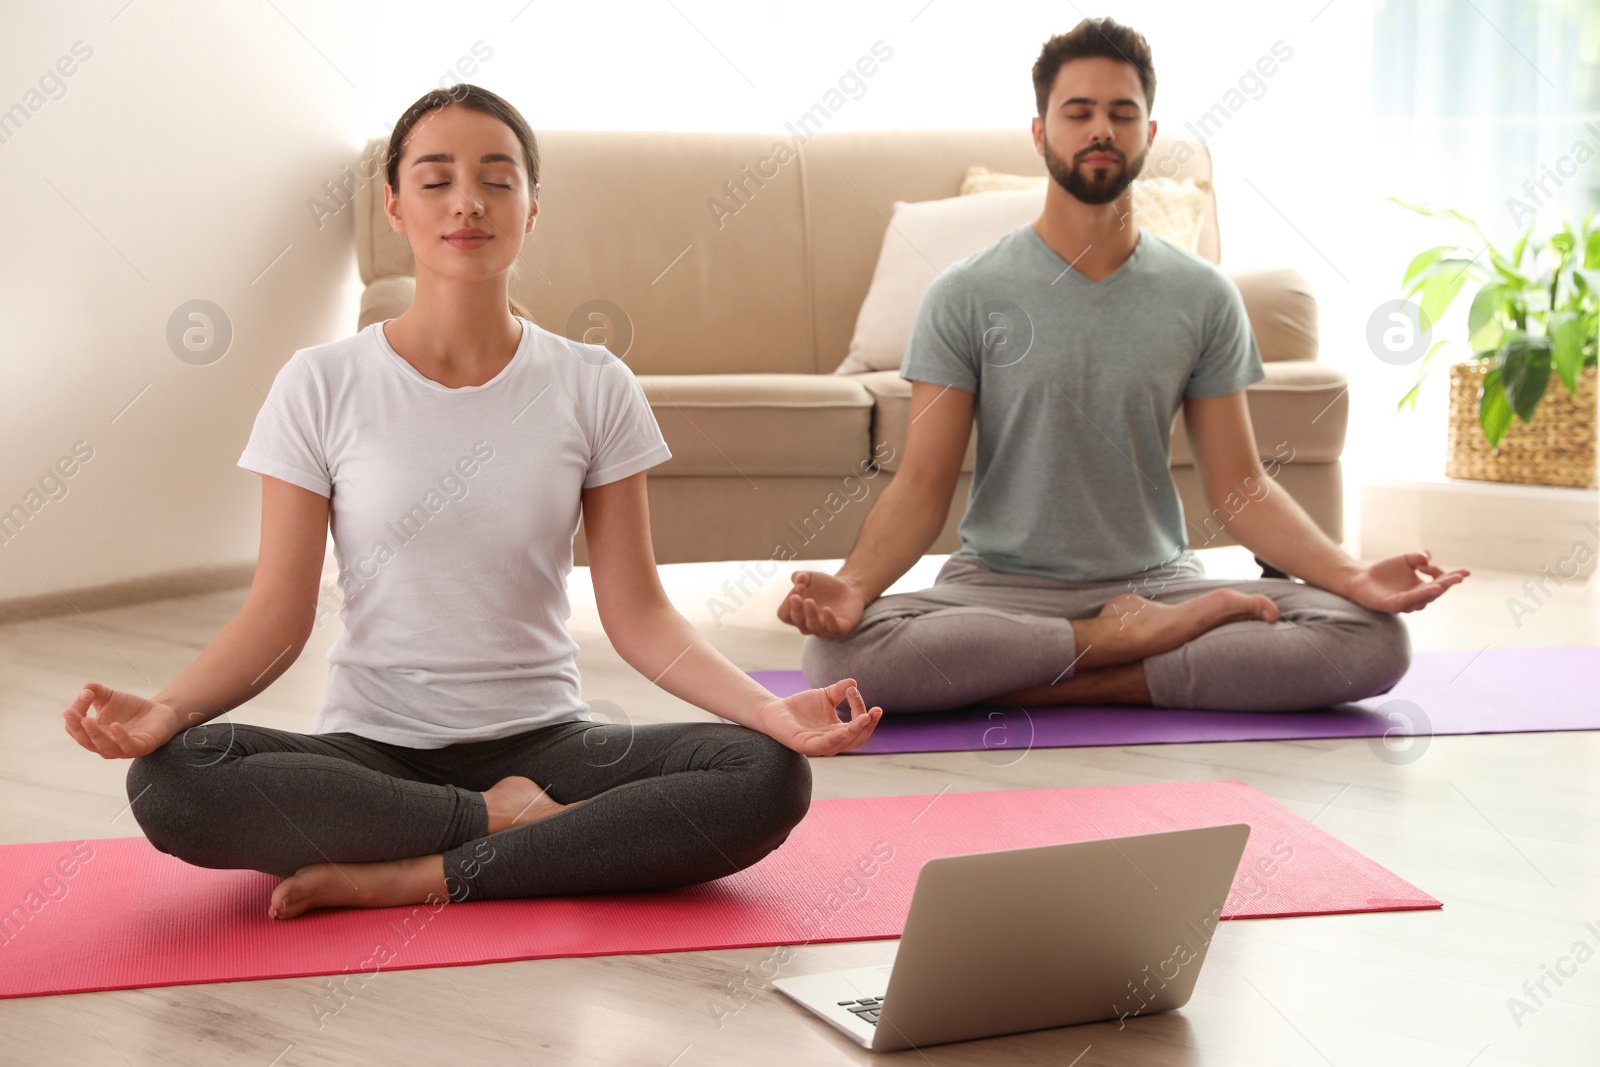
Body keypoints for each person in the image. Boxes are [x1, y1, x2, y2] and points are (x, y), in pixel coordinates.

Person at [62, 84, 881, 920]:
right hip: (373, 754)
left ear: (533, 208)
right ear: (393, 206)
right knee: (171, 781)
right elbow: (277, 615)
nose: (467, 202)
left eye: (497, 178)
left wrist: (770, 711)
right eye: (434, 178)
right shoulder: (321, 384)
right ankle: (497, 826)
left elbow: (640, 614)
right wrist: (166, 709)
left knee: (770, 774)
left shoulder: (594, 384)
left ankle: (417, 875)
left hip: (551, 744)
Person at [780, 18, 1468, 714]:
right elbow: (922, 484)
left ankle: (1078, 668)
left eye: (1121, 113)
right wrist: (856, 585)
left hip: (1162, 586)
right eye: (1077, 112)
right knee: (838, 656)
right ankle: (1115, 646)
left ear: (1148, 132)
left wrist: (1354, 579)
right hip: (1001, 587)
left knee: (1371, 640)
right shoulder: (965, 293)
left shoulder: (1202, 295)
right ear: (1040, 132)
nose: (1100, 129)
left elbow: (1241, 486)